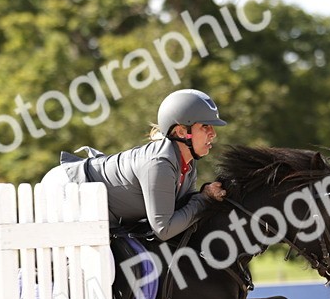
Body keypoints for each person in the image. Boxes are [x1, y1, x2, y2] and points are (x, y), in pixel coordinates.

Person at [41, 88, 228, 241]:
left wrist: (205, 197)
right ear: (180, 132)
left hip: (97, 206)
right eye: (205, 126)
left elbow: (182, 211)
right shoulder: (159, 164)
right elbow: (164, 229)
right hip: (68, 189)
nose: (213, 133)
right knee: (105, 266)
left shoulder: (187, 163)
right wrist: (204, 199)